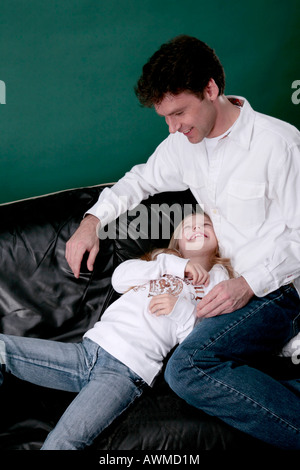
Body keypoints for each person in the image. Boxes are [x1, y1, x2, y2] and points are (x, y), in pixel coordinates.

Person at [65, 35, 300, 448]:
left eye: (179, 113)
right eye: (166, 118)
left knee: (187, 367)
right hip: (227, 288)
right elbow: (139, 179)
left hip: (279, 289)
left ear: (211, 90)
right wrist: (90, 222)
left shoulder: (279, 144)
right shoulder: (183, 146)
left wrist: (247, 284)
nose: (174, 127)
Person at [0, 213, 231, 450]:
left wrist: (180, 308)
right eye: (189, 225)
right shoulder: (160, 261)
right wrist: (174, 264)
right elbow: (119, 279)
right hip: (87, 352)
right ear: (177, 240)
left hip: (123, 372)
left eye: (206, 225)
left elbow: (201, 340)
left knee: (62, 442)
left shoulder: (218, 281)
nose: (197, 228)